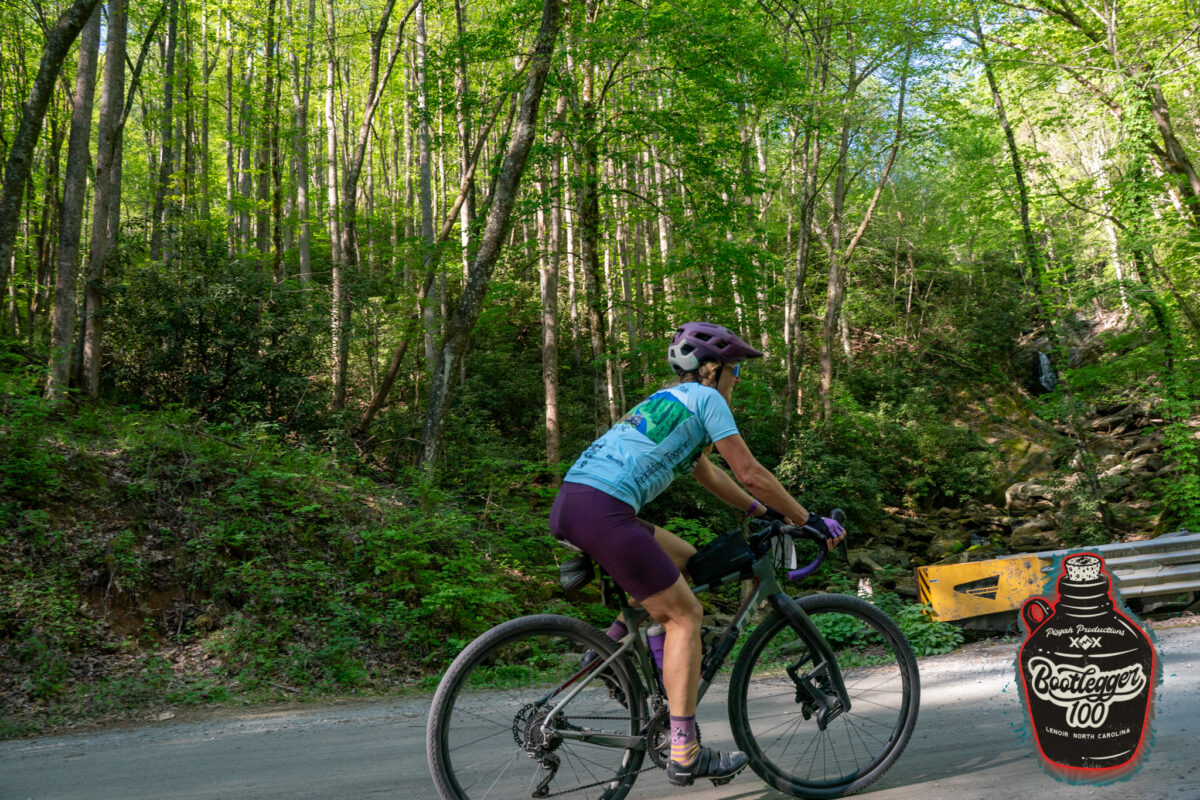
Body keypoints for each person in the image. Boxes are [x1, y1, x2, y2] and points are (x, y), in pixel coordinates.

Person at [550, 321, 847, 787]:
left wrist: (761, 511)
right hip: (604, 511)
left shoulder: (668, 401)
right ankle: (685, 750)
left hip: (576, 503)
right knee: (686, 616)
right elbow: (749, 472)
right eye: (735, 371)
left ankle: (606, 655)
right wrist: (804, 518)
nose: (737, 381)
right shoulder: (707, 399)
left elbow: (710, 474)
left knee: (688, 562)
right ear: (711, 369)